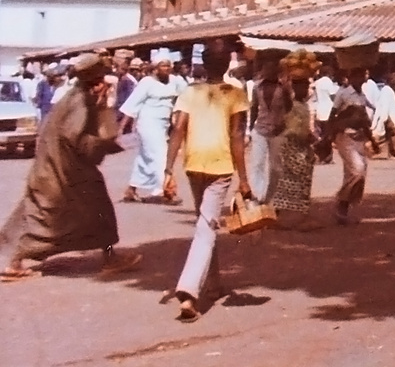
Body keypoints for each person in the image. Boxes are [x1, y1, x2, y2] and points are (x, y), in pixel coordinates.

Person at [1, 53, 142, 281]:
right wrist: (104, 141)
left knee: (37, 214)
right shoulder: (80, 101)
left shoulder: (74, 97)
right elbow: (76, 138)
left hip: (54, 170)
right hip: (65, 174)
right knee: (98, 211)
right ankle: (110, 259)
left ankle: (15, 261)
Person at [163, 44, 250, 322]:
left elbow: (178, 129)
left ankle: (213, 283)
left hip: (193, 162)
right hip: (220, 165)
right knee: (206, 226)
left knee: (205, 222)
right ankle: (189, 292)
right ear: (226, 64)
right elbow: (237, 137)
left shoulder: (189, 92)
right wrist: (244, 178)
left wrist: (167, 170)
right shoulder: (235, 95)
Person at [119, 50, 184, 204]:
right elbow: (132, 104)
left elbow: (188, 94)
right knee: (160, 155)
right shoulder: (147, 83)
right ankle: (166, 191)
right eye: (163, 66)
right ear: (156, 67)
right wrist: (122, 128)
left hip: (163, 125)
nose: (167, 69)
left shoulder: (175, 81)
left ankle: (131, 189)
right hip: (148, 123)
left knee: (145, 157)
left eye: (169, 66)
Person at [270, 51, 320, 230]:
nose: (305, 89)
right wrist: (285, 84)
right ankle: (290, 216)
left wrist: (314, 139)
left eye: (307, 85)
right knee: (293, 182)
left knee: (297, 183)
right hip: (292, 147)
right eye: (302, 86)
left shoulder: (305, 105)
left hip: (303, 147)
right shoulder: (290, 102)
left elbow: (305, 128)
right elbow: (285, 98)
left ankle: (289, 216)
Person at [327, 70, 374, 224]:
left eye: (363, 75)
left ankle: (342, 211)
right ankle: (340, 200)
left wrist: (372, 140)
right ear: (351, 76)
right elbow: (332, 116)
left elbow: (363, 121)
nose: (361, 78)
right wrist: (328, 137)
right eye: (358, 75)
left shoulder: (362, 97)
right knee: (357, 170)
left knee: (354, 175)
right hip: (345, 137)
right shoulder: (343, 94)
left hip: (359, 138)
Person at [247, 58, 291, 203]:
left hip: (278, 131)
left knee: (276, 168)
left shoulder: (283, 87)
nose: (268, 72)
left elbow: (290, 107)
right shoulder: (257, 87)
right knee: (257, 164)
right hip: (260, 129)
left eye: (272, 70)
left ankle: (271, 197)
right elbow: (254, 107)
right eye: (266, 69)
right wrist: (250, 128)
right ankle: (258, 196)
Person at [370, 73, 395, 160]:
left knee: (388, 136)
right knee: (391, 135)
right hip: (389, 116)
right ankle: (391, 153)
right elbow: (385, 106)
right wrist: (383, 118)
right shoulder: (387, 91)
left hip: (387, 116)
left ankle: (391, 153)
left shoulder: (386, 90)